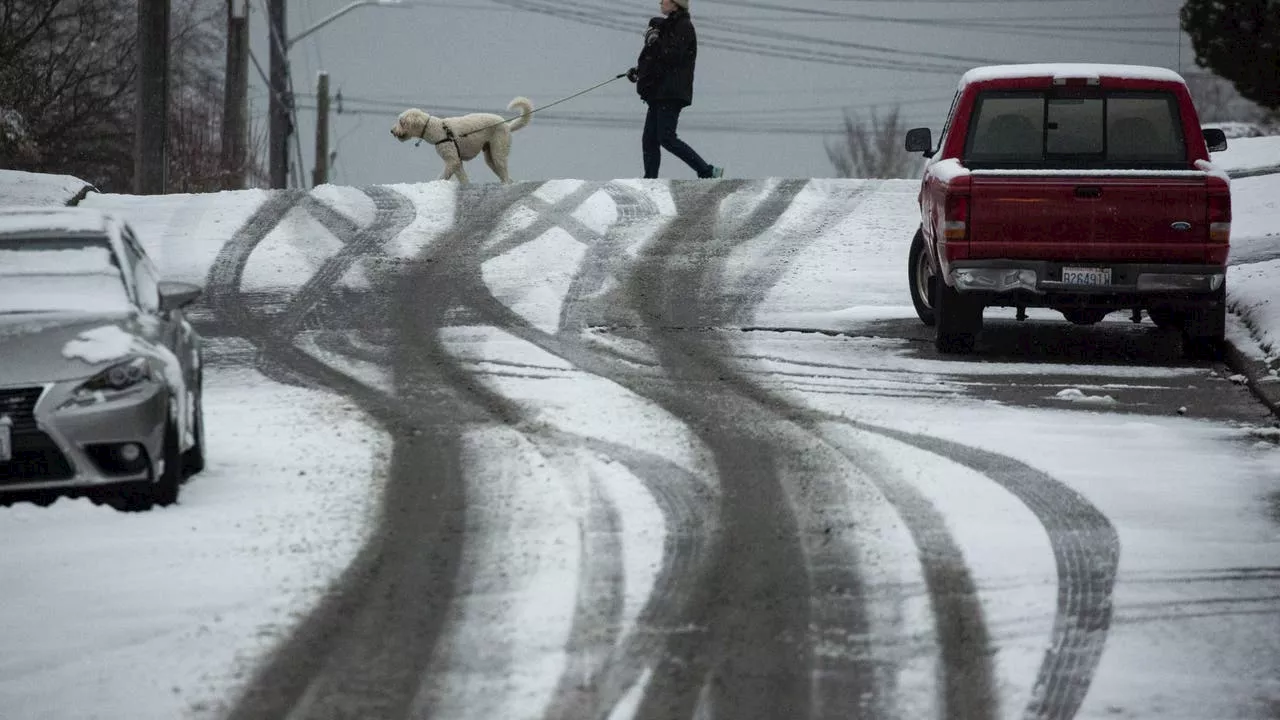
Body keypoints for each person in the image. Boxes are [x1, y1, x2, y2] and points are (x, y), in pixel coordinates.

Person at [627, 0, 723, 180]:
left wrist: (654, 41)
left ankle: (707, 171)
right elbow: (657, 59)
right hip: (659, 92)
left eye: (665, 0)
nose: (661, 2)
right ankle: (650, 180)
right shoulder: (667, 26)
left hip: (671, 92)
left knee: (666, 137)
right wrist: (639, 72)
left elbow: (672, 56)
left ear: (676, 4)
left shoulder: (683, 26)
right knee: (650, 140)